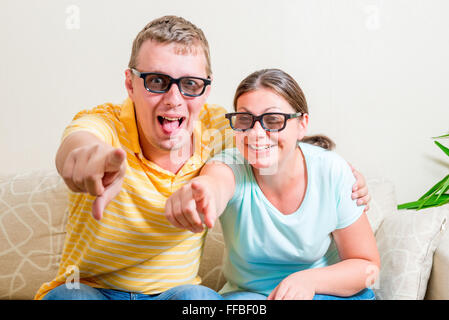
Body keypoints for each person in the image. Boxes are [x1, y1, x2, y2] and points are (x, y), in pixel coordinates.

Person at [35, 16, 370, 300]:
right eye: (156, 81)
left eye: (190, 84)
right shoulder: (103, 124)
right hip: (95, 290)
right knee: (69, 296)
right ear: (130, 84)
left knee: (200, 299)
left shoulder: (220, 129)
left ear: (206, 90)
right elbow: (77, 145)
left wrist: (343, 174)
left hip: (176, 293)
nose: (174, 99)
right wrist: (86, 161)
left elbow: (266, 143)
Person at [164, 68, 380, 300]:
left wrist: (306, 281)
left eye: (273, 120)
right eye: (245, 120)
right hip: (252, 298)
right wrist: (204, 194)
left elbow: (367, 266)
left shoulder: (332, 171)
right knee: (191, 296)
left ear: (302, 124)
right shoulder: (229, 164)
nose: (256, 133)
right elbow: (216, 183)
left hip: (324, 294)